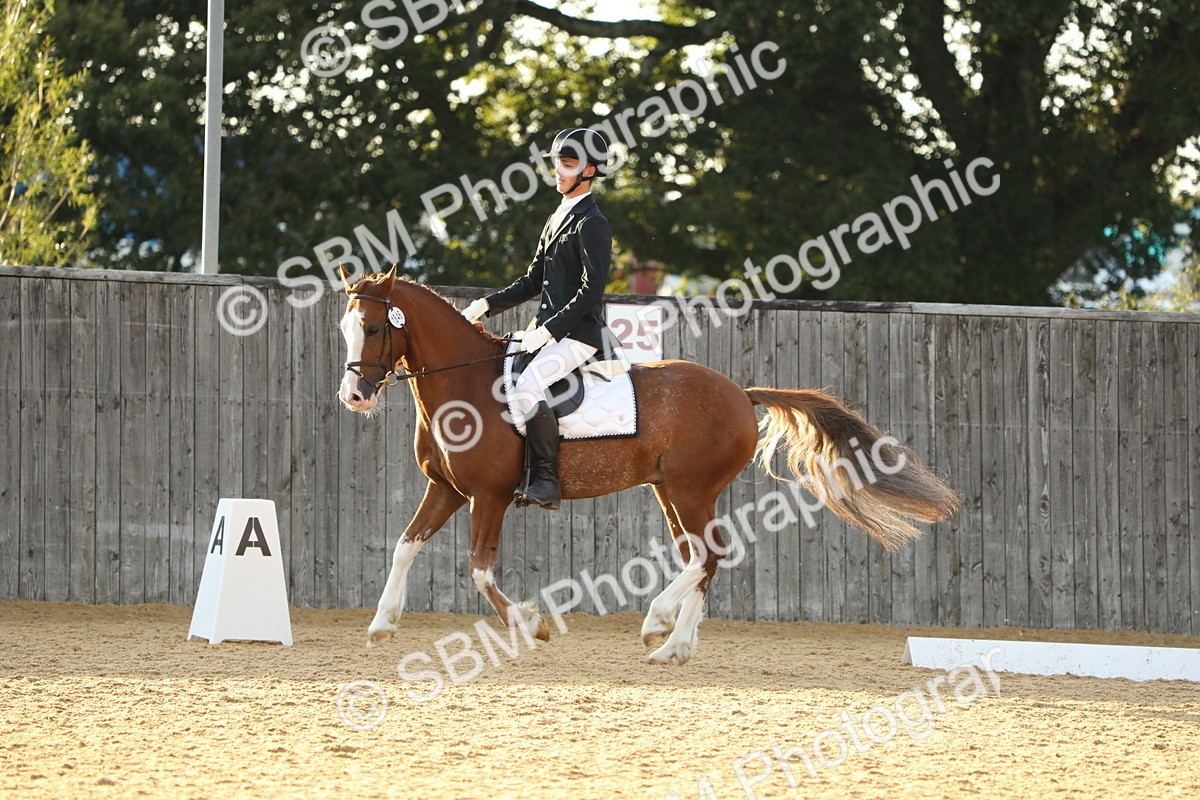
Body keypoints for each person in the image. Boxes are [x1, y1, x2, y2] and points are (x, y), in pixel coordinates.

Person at [461, 128, 619, 511]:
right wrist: (485, 305)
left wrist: (548, 331)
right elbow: (533, 280)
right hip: (549, 331)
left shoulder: (592, 222)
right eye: (557, 165)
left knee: (529, 383)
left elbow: (591, 290)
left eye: (566, 165)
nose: (558, 172)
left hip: (581, 334)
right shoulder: (557, 217)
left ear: (590, 171)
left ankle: (547, 479)